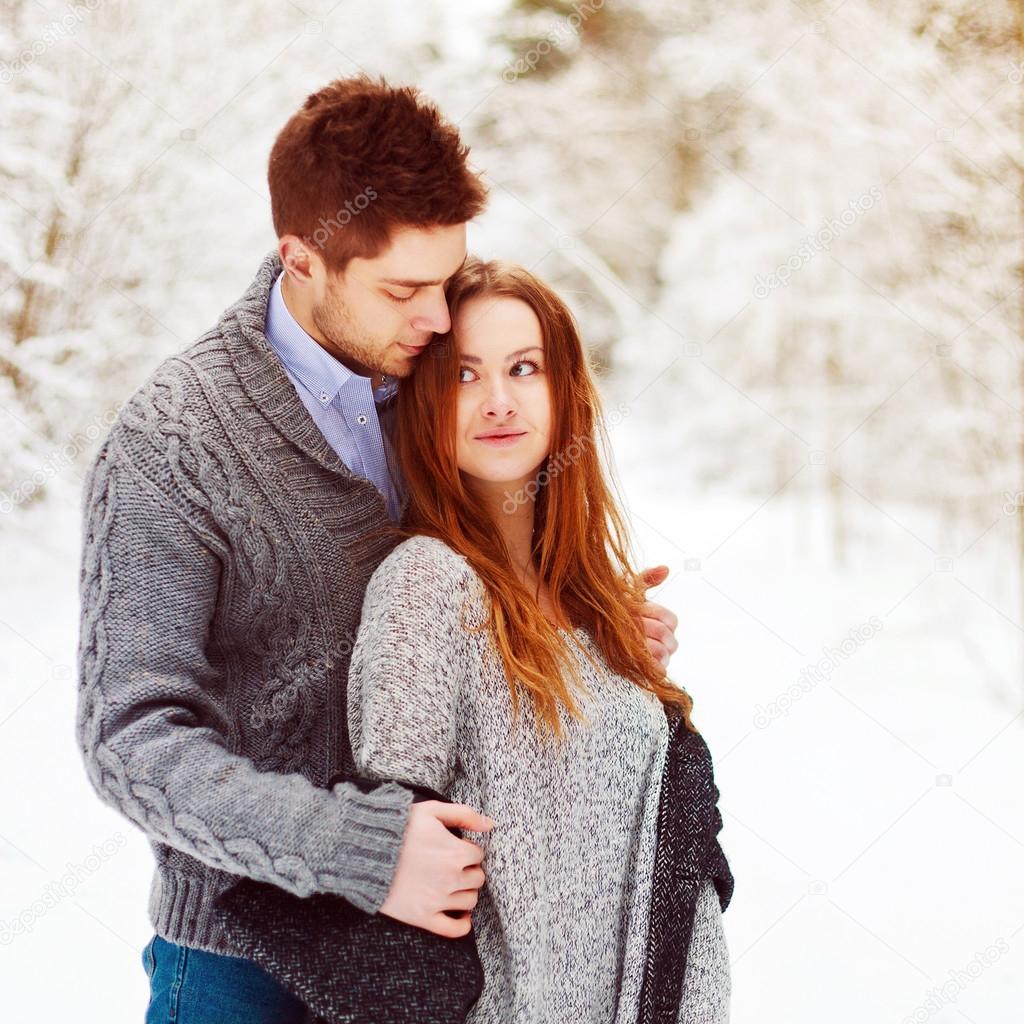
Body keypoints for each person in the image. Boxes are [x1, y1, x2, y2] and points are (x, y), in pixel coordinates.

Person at [74, 74, 681, 1023]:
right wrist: (361, 847)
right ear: (302, 260)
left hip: (450, 953)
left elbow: (472, 589)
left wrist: (579, 638)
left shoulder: (425, 379)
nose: (439, 319)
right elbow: (130, 741)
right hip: (244, 957)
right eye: (405, 290)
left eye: (447, 280)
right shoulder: (174, 441)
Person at [346, 257, 731, 1023]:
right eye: (463, 375)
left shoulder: (596, 608)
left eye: (525, 368)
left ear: (564, 395)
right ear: (425, 400)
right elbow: (393, 879)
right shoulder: (427, 584)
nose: (497, 401)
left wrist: (614, 667)